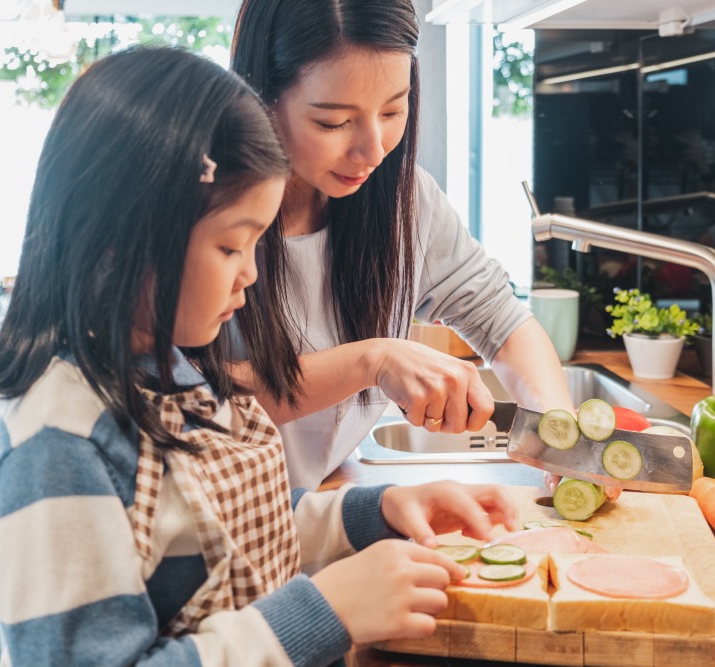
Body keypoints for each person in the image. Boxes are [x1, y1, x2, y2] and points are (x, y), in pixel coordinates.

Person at [0, 46, 516, 666]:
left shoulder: (171, 373)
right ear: (129, 241)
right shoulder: (56, 450)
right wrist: (326, 611)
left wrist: (377, 511)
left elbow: (231, 527)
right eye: (232, 247)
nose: (251, 275)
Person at [230, 0, 574, 490]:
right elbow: (183, 395)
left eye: (394, 108)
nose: (373, 150)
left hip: (316, 509)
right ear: (261, 95)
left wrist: (560, 437)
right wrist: (371, 362)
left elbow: (502, 321)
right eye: (334, 122)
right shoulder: (202, 209)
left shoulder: (404, 199)